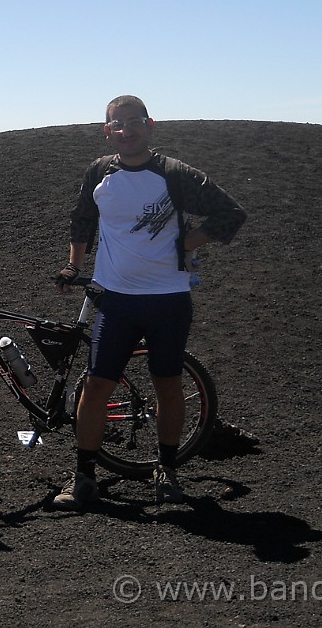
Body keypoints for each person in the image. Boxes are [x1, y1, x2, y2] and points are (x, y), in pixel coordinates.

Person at [52, 95, 246, 511]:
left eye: (134, 122)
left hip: (167, 299)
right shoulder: (100, 173)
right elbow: (82, 218)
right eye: (117, 124)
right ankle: (84, 476)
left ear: (150, 124)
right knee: (97, 385)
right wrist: (73, 265)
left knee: (168, 385)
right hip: (116, 298)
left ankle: (167, 470)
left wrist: (188, 243)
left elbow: (230, 212)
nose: (127, 130)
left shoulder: (174, 174)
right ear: (108, 131)